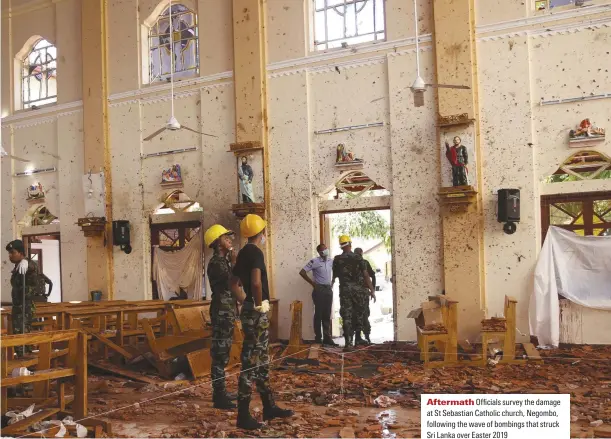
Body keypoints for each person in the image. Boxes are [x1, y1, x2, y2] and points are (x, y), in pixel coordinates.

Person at [230, 214, 293, 430]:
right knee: (251, 362)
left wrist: (245, 302)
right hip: (257, 312)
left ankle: (269, 406)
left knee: (263, 360)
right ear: (262, 232)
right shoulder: (255, 253)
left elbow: (233, 284)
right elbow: (256, 282)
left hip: (250, 309)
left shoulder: (241, 254)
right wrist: (257, 304)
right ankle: (242, 416)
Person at [205, 224, 245, 410]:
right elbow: (233, 282)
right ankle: (218, 396)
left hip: (227, 310)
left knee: (224, 352)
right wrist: (236, 262)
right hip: (221, 311)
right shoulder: (216, 263)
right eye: (225, 237)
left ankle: (221, 391)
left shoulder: (224, 262)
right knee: (220, 354)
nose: (230, 239)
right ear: (217, 243)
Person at [332, 235, 375, 351]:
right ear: (350, 244)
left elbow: (334, 276)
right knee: (359, 314)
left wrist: (330, 287)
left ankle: (348, 343)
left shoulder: (337, 259)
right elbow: (366, 275)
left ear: (341, 246)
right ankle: (357, 339)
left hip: (345, 291)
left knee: (347, 315)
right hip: (358, 291)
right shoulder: (358, 258)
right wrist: (372, 290)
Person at [299, 244, 337, 346]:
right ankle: (318, 338)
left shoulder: (331, 261)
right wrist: (313, 284)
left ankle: (327, 338)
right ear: (319, 252)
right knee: (319, 314)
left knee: (327, 313)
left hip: (328, 289)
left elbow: (336, 271)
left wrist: (333, 281)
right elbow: (302, 272)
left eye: (326, 249)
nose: (326, 250)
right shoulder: (314, 261)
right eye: (323, 250)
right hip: (319, 289)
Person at [6, 240, 39, 357]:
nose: (10, 255)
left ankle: (25, 360)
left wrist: (26, 261)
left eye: (12, 252)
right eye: (9, 253)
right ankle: (22, 358)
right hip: (18, 306)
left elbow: (34, 266)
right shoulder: (17, 267)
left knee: (23, 334)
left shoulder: (26, 264)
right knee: (18, 333)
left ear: (20, 253)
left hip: (25, 306)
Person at [354, 247, 375, 344]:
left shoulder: (354, 263)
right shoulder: (364, 262)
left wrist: (372, 290)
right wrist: (372, 290)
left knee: (358, 315)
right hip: (361, 293)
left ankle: (360, 337)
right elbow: (371, 275)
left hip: (356, 293)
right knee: (364, 314)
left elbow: (372, 275)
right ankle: (365, 337)